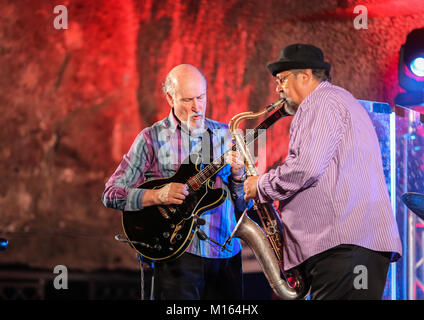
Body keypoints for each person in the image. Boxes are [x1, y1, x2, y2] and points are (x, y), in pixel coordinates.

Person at [243, 44, 402, 300]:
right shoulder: (336, 101)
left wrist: (260, 185)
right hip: (348, 250)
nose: (278, 89)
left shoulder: (321, 103)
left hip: (342, 249)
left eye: (282, 80)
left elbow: (306, 167)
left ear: (305, 76)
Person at [102, 64, 249, 300]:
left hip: (226, 252)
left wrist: (239, 176)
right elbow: (111, 194)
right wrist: (157, 196)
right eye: (187, 99)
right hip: (177, 253)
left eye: (201, 97)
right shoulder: (151, 138)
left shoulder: (226, 136)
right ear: (170, 98)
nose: (196, 107)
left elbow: (245, 206)